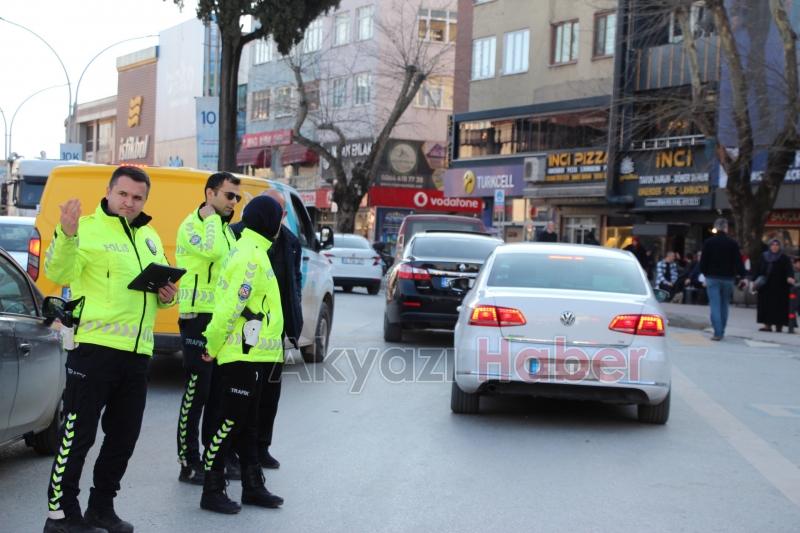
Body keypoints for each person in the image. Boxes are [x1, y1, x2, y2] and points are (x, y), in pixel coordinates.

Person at [42, 166, 177, 533]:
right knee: (78, 435)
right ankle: (60, 515)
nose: (129, 202)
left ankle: (101, 508)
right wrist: (66, 234)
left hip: (137, 354)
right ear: (109, 191)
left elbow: (155, 298)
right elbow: (59, 271)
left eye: (137, 197)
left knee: (123, 437)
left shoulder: (149, 236)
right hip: (94, 351)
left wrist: (167, 295)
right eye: (123, 194)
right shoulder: (86, 228)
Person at [200, 195, 285, 515]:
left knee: (249, 424)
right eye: (278, 217)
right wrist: (211, 345)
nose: (280, 224)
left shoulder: (256, 250)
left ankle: (252, 486)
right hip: (240, 355)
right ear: (267, 221)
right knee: (228, 423)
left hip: (255, 355)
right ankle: (211, 489)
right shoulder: (250, 255)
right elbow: (229, 308)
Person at [174, 172, 241, 485]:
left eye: (236, 197)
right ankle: (188, 462)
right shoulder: (193, 225)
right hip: (196, 318)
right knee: (196, 392)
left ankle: (213, 458)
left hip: (219, 321)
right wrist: (211, 218)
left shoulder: (226, 230)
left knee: (217, 393)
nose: (233, 202)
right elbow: (212, 252)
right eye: (228, 195)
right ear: (209, 193)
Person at [700, 218, 747, 341]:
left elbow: (703, 262)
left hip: (712, 277)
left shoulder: (709, 242)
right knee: (724, 305)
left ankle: (717, 332)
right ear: (726, 228)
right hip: (728, 278)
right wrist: (743, 276)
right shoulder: (733, 243)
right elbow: (738, 261)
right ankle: (722, 330)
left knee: (714, 305)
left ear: (715, 228)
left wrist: (705, 273)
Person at [754, 239, 795, 332]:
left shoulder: (784, 258)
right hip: (766, 286)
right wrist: (754, 280)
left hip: (780, 286)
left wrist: (790, 277)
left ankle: (779, 325)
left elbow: (789, 269)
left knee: (779, 306)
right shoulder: (764, 256)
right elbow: (758, 269)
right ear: (770, 246)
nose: (775, 246)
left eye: (777, 245)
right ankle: (767, 325)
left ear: (780, 246)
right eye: (773, 244)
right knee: (765, 305)